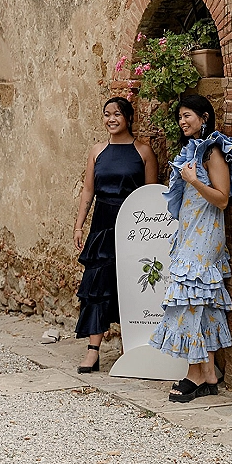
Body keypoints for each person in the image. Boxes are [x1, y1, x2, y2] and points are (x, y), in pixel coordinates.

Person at [149, 94, 232, 402]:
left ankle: (194, 373)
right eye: (180, 117)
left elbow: (222, 198)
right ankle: (210, 373)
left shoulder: (213, 151)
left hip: (206, 236)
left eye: (187, 115)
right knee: (203, 300)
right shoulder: (193, 151)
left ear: (204, 117)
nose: (183, 121)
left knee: (188, 299)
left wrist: (193, 179)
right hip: (191, 231)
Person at [74, 97, 158, 373]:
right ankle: (92, 350)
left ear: (128, 118)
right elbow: (88, 190)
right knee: (97, 285)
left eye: (117, 114)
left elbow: (151, 195)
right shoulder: (97, 151)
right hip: (102, 222)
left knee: (133, 283)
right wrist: (79, 226)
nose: (111, 119)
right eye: (107, 114)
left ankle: (130, 346)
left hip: (134, 226)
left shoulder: (144, 151)